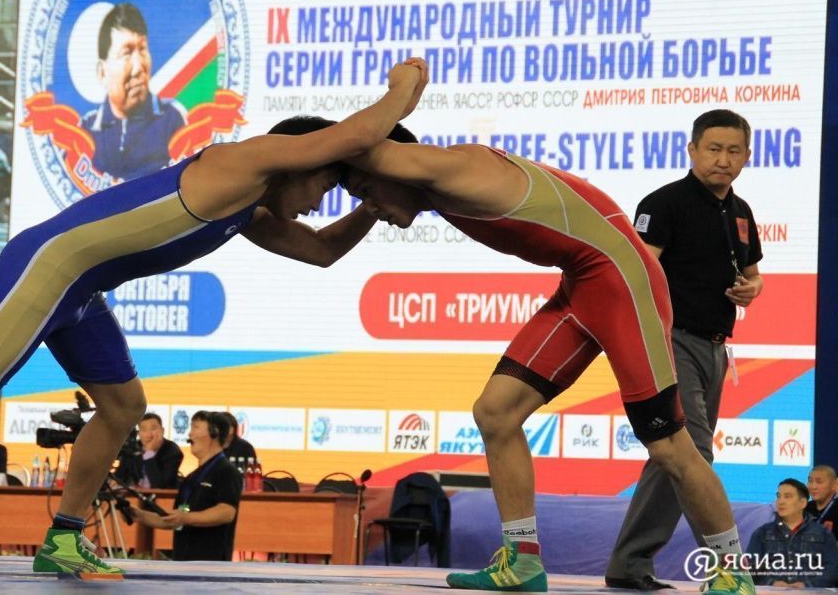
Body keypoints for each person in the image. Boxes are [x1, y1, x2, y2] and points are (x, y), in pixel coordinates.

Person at [0, 57, 427, 576]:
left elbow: (322, 252)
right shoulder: (244, 161)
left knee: (124, 406)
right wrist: (406, 87)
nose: (321, 204)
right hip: (48, 267)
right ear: (300, 161)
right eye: (325, 189)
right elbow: (353, 136)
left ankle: (62, 538)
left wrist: (375, 207)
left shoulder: (248, 210)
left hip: (81, 287)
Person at [340, 125, 755, 594]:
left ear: (396, 165)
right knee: (496, 412)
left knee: (669, 445)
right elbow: (323, 250)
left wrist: (384, 101)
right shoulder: (433, 186)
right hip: (582, 283)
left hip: (620, 280)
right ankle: (522, 560)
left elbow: (366, 146)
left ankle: (733, 571)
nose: (368, 206)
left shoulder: (450, 166)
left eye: (367, 190)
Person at [606, 108, 764, 590]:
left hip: (715, 348)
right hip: (669, 342)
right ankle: (726, 567)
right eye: (713, 149)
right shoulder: (664, 203)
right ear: (692, 150)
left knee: (671, 457)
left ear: (747, 156)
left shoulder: (741, 211)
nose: (723, 159)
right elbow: (636, 273)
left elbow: (754, 275)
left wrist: (751, 289)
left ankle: (629, 563)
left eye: (734, 151)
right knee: (693, 452)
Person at [80, 2, 187, 180]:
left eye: (143, 49)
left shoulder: (172, 120)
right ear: (102, 72)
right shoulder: (85, 132)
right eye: (126, 53)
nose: (138, 68)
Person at [128, 411, 242, 561]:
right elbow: (174, 519)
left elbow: (226, 512)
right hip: (184, 561)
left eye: (196, 427)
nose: (190, 434)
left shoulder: (227, 471)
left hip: (211, 564)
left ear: (214, 434)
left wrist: (187, 518)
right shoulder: (191, 478)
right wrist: (139, 515)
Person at [747, 478, 838, 587]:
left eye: (787, 496)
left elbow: (832, 569)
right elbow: (750, 568)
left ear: (802, 503)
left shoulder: (823, 533)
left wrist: (807, 585)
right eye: (778, 496)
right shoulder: (762, 533)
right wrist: (772, 583)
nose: (780, 501)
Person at [118, 412, 183, 489]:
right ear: (139, 434)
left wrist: (149, 453)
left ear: (162, 431)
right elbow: (119, 476)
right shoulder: (132, 448)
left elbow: (159, 485)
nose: (149, 435)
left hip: (162, 496)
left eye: (153, 429)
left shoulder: (172, 451)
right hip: (136, 495)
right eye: (144, 430)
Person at [807, 465, 838, 540]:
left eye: (819, 482)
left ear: (834, 484)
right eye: (810, 481)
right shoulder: (804, 509)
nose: (813, 487)